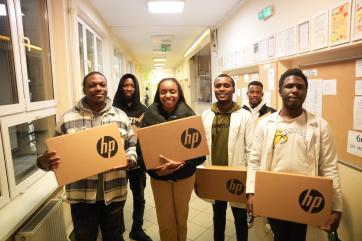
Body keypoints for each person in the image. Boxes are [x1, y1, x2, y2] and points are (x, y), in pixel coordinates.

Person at [37, 71, 137, 241]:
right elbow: (52, 157)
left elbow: (132, 146)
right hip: (81, 196)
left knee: (114, 237)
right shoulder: (67, 119)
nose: (98, 88)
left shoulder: (121, 117)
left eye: (102, 85)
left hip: (114, 193)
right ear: (84, 89)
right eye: (92, 85)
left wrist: (130, 160)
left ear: (107, 88)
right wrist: (45, 161)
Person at [246, 68, 342, 241]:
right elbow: (254, 161)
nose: (295, 90)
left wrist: (336, 207)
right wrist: (251, 192)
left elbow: (329, 167)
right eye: (289, 86)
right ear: (280, 90)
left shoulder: (320, 126)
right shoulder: (264, 124)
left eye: (300, 86)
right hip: (274, 195)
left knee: (300, 237)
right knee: (280, 235)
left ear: (305, 91)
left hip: (306, 198)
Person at [139, 77, 205, 241]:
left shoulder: (189, 115)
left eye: (172, 91)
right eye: (163, 91)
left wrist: (183, 163)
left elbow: (200, 154)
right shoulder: (148, 116)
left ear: (179, 93)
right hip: (159, 178)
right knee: (165, 222)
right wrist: (153, 170)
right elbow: (141, 153)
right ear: (158, 94)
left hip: (184, 178)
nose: (168, 95)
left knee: (181, 220)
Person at [201, 74, 253, 241]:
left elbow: (251, 150)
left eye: (226, 85)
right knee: (218, 217)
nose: (221, 89)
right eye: (218, 86)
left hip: (236, 176)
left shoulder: (244, 115)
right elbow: (202, 147)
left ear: (233, 89)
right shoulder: (206, 114)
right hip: (215, 175)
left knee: (240, 218)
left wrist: (251, 182)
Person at [113, 73, 152, 241]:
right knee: (117, 200)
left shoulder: (144, 110)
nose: (129, 88)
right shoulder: (112, 109)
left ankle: (136, 229)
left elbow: (149, 137)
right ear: (120, 87)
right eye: (125, 85)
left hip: (138, 163)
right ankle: (118, 231)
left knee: (139, 198)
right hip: (117, 163)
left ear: (136, 88)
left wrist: (143, 160)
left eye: (132, 85)